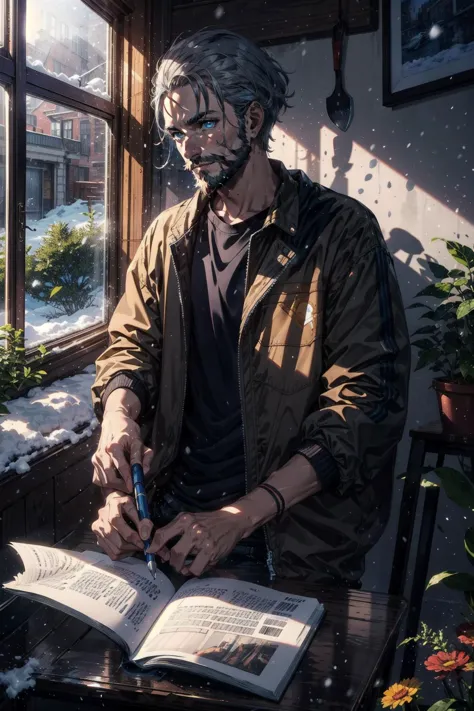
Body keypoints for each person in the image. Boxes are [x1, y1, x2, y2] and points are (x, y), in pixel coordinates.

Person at [90, 29, 411, 586]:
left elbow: (367, 406)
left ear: (255, 120)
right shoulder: (169, 235)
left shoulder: (341, 232)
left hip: (287, 547)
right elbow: (131, 346)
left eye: (204, 123)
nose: (187, 147)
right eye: (176, 131)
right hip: (169, 531)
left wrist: (238, 518)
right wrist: (119, 417)